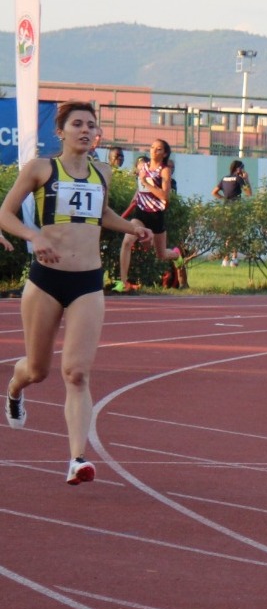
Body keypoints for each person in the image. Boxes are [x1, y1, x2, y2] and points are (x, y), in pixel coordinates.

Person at [0, 101, 152, 484]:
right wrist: (32, 235)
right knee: (37, 370)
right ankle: (15, 388)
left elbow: (101, 216)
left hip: (87, 282)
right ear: (61, 132)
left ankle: (77, 458)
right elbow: (5, 213)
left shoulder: (103, 171)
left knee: (78, 373)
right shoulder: (41, 169)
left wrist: (132, 227)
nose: (85, 130)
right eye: (77, 124)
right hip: (46, 281)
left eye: (91, 125)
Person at [115, 138, 182, 291]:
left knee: (161, 254)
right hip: (140, 214)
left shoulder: (165, 170)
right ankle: (123, 282)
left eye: (158, 149)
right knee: (126, 242)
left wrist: (146, 183)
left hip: (156, 215)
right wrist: (136, 194)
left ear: (164, 153)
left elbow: (165, 196)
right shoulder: (143, 167)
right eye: (152, 147)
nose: (153, 150)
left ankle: (177, 255)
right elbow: (140, 187)